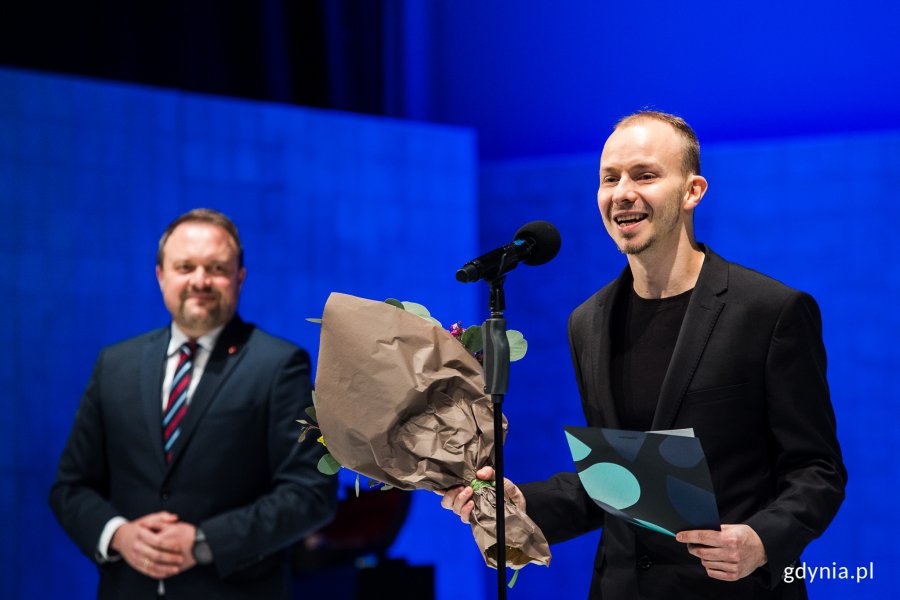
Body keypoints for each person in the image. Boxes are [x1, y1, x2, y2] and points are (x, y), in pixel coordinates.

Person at [441, 111, 847, 598]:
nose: (622, 192)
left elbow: (817, 469)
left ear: (692, 191)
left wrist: (762, 541)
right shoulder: (587, 322)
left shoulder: (770, 311)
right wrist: (522, 501)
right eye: (609, 178)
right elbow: (622, 483)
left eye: (645, 175)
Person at [50, 208, 337, 599]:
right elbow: (70, 488)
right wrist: (118, 534)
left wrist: (205, 541)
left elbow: (311, 493)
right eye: (185, 266)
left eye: (216, 268)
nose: (200, 281)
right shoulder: (114, 364)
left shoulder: (279, 365)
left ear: (240, 277)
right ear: (160, 276)